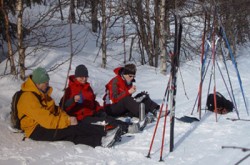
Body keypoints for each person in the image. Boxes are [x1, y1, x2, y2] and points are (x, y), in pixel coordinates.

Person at [17, 67, 121, 148]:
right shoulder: (28, 97)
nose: (48, 85)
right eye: (45, 83)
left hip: (44, 124)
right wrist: (67, 121)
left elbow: (56, 109)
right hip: (35, 129)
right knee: (70, 130)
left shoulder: (41, 93)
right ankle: (103, 136)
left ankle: (104, 136)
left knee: (72, 131)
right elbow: (47, 120)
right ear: (38, 83)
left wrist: (65, 116)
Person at [60, 64, 144, 134]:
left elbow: (93, 102)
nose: (84, 79)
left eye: (86, 77)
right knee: (103, 122)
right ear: (76, 77)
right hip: (81, 117)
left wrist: (100, 110)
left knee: (108, 118)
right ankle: (126, 128)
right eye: (81, 77)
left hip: (91, 113)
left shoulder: (87, 87)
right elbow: (63, 107)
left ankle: (128, 125)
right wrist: (73, 100)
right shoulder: (70, 89)